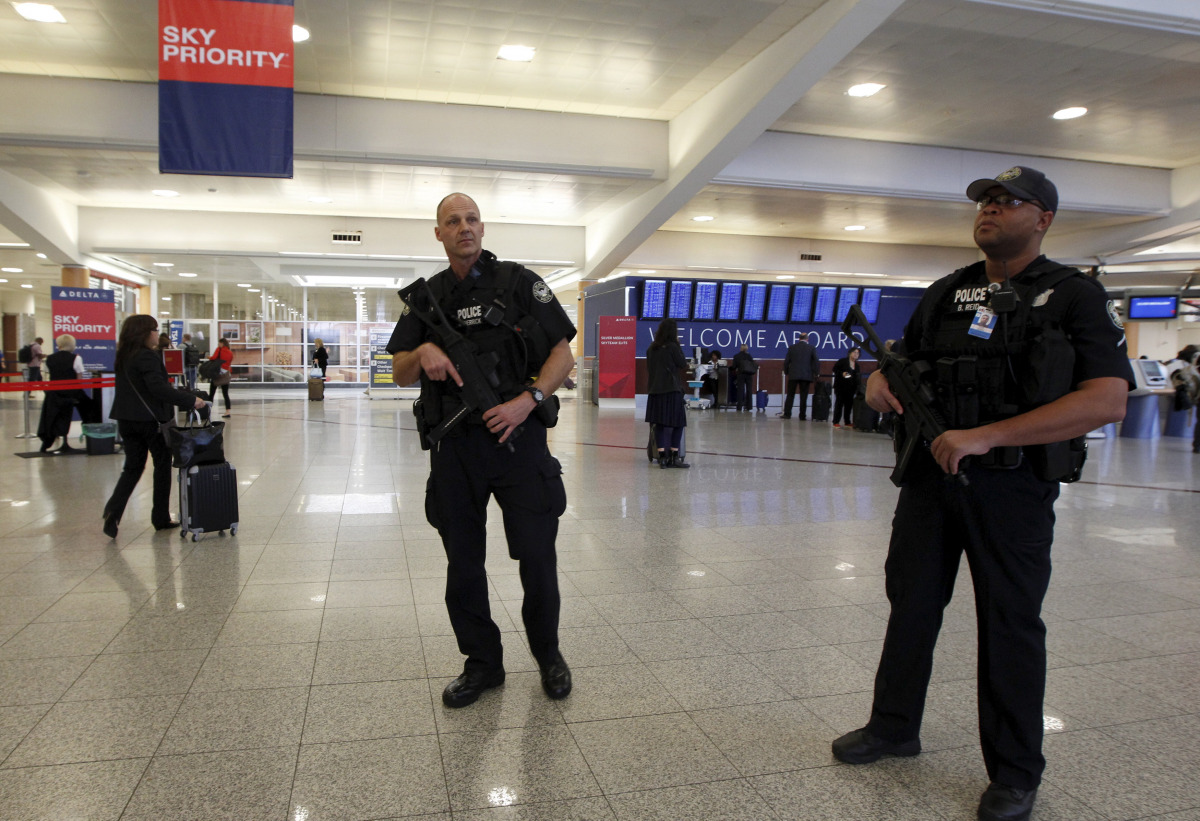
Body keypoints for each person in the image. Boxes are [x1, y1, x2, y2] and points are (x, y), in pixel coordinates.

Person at [831, 166, 1132, 821]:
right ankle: (892, 725)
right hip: (930, 481)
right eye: (985, 202)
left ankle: (1017, 771)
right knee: (909, 603)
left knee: (1010, 622)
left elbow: (1107, 399)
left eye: (1007, 202)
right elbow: (899, 361)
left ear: (1043, 218)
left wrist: (987, 435)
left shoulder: (1073, 295)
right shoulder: (948, 292)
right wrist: (878, 382)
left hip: (1014, 486)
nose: (990, 211)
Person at [387, 192, 576, 709]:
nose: (463, 227)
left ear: (483, 228)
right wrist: (421, 351)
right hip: (456, 449)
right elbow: (398, 371)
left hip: (519, 441)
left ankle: (549, 655)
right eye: (453, 221)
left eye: (471, 219)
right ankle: (483, 665)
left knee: (537, 556)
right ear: (439, 234)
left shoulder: (519, 283)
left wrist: (528, 400)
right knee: (463, 563)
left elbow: (564, 352)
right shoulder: (427, 298)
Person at [102, 315, 207, 539]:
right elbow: (158, 389)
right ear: (145, 333)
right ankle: (160, 517)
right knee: (161, 466)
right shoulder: (147, 357)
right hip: (151, 422)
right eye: (154, 330)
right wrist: (190, 400)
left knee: (132, 467)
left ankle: (114, 510)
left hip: (125, 420)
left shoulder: (123, 356)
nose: (156, 335)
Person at [645, 318, 691, 469]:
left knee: (659, 424)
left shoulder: (651, 348)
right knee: (678, 423)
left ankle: (662, 458)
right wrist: (678, 344)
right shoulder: (672, 346)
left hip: (655, 391)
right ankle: (674, 456)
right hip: (671, 390)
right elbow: (682, 363)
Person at [36, 334, 87, 453]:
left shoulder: (50, 359)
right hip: (71, 393)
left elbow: (48, 375)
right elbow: (79, 378)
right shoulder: (76, 358)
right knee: (90, 407)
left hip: (54, 394)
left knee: (50, 415)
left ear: (59, 344)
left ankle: (46, 442)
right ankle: (93, 436)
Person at [780, 335, 819, 420]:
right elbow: (815, 361)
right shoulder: (811, 348)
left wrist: (786, 371)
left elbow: (787, 361)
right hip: (806, 375)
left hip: (793, 374)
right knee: (803, 396)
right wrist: (816, 373)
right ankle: (802, 415)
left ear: (799, 339)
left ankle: (787, 414)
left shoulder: (792, 347)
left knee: (790, 395)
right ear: (807, 339)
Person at [831, 347, 861, 428]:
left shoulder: (857, 366)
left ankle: (847, 421)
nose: (856, 354)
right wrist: (842, 373)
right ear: (850, 353)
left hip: (851, 388)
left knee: (849, 405)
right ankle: (836, 421)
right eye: (854, 352)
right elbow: (835, 369)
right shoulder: (843, 361)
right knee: (839, 404)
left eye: (857, 353)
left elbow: (857, 377)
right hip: (840, 387)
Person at [208, 338, 234, 418]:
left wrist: (209, 357)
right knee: (225, 394)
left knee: (212, 393)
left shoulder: (219, 350)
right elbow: (229, 361)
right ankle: (228, 411)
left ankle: (208, 410)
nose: (218, 345)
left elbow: (214, 358)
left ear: (222, 343)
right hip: (226, 373)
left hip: (218, 373)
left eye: (219, 343)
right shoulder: (230, 352)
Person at [731, 344, 757, 411]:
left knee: (740, 390)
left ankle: (739, 406)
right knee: (749, 390)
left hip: (740, 374)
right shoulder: (749, 356)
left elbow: (734, 366)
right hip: (749, 374)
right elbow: (752, 364)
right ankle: (749, 406)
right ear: (746, 348)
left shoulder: (737, 356)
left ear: (741, 348)